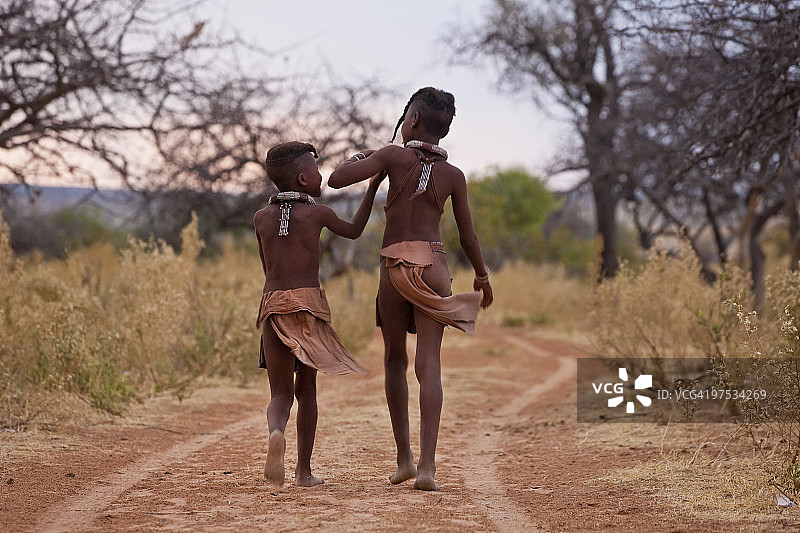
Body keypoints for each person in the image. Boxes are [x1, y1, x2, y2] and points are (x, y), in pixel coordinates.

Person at [328, 87, 493, 491]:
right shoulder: (454, 175)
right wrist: (482, 277)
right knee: (429, 365)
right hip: (435, 264)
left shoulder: (391, 155)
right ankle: (428, 469)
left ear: (412, 121)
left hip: (395, 265)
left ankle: (404, 459)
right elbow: (468, 238)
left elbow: (335, 180)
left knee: (393, 361)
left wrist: (365, 157)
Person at [255, 141, 384, 488]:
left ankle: (276, 432)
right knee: (306, 388)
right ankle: (303, 472)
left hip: (272, 305)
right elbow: (355, 231)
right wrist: (372, 187)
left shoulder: (261, 218)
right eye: (315, 168)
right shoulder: (318, 213)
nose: (320, 174)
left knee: (280, 395)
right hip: (308, 304)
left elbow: (267, 267)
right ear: (302, 178)